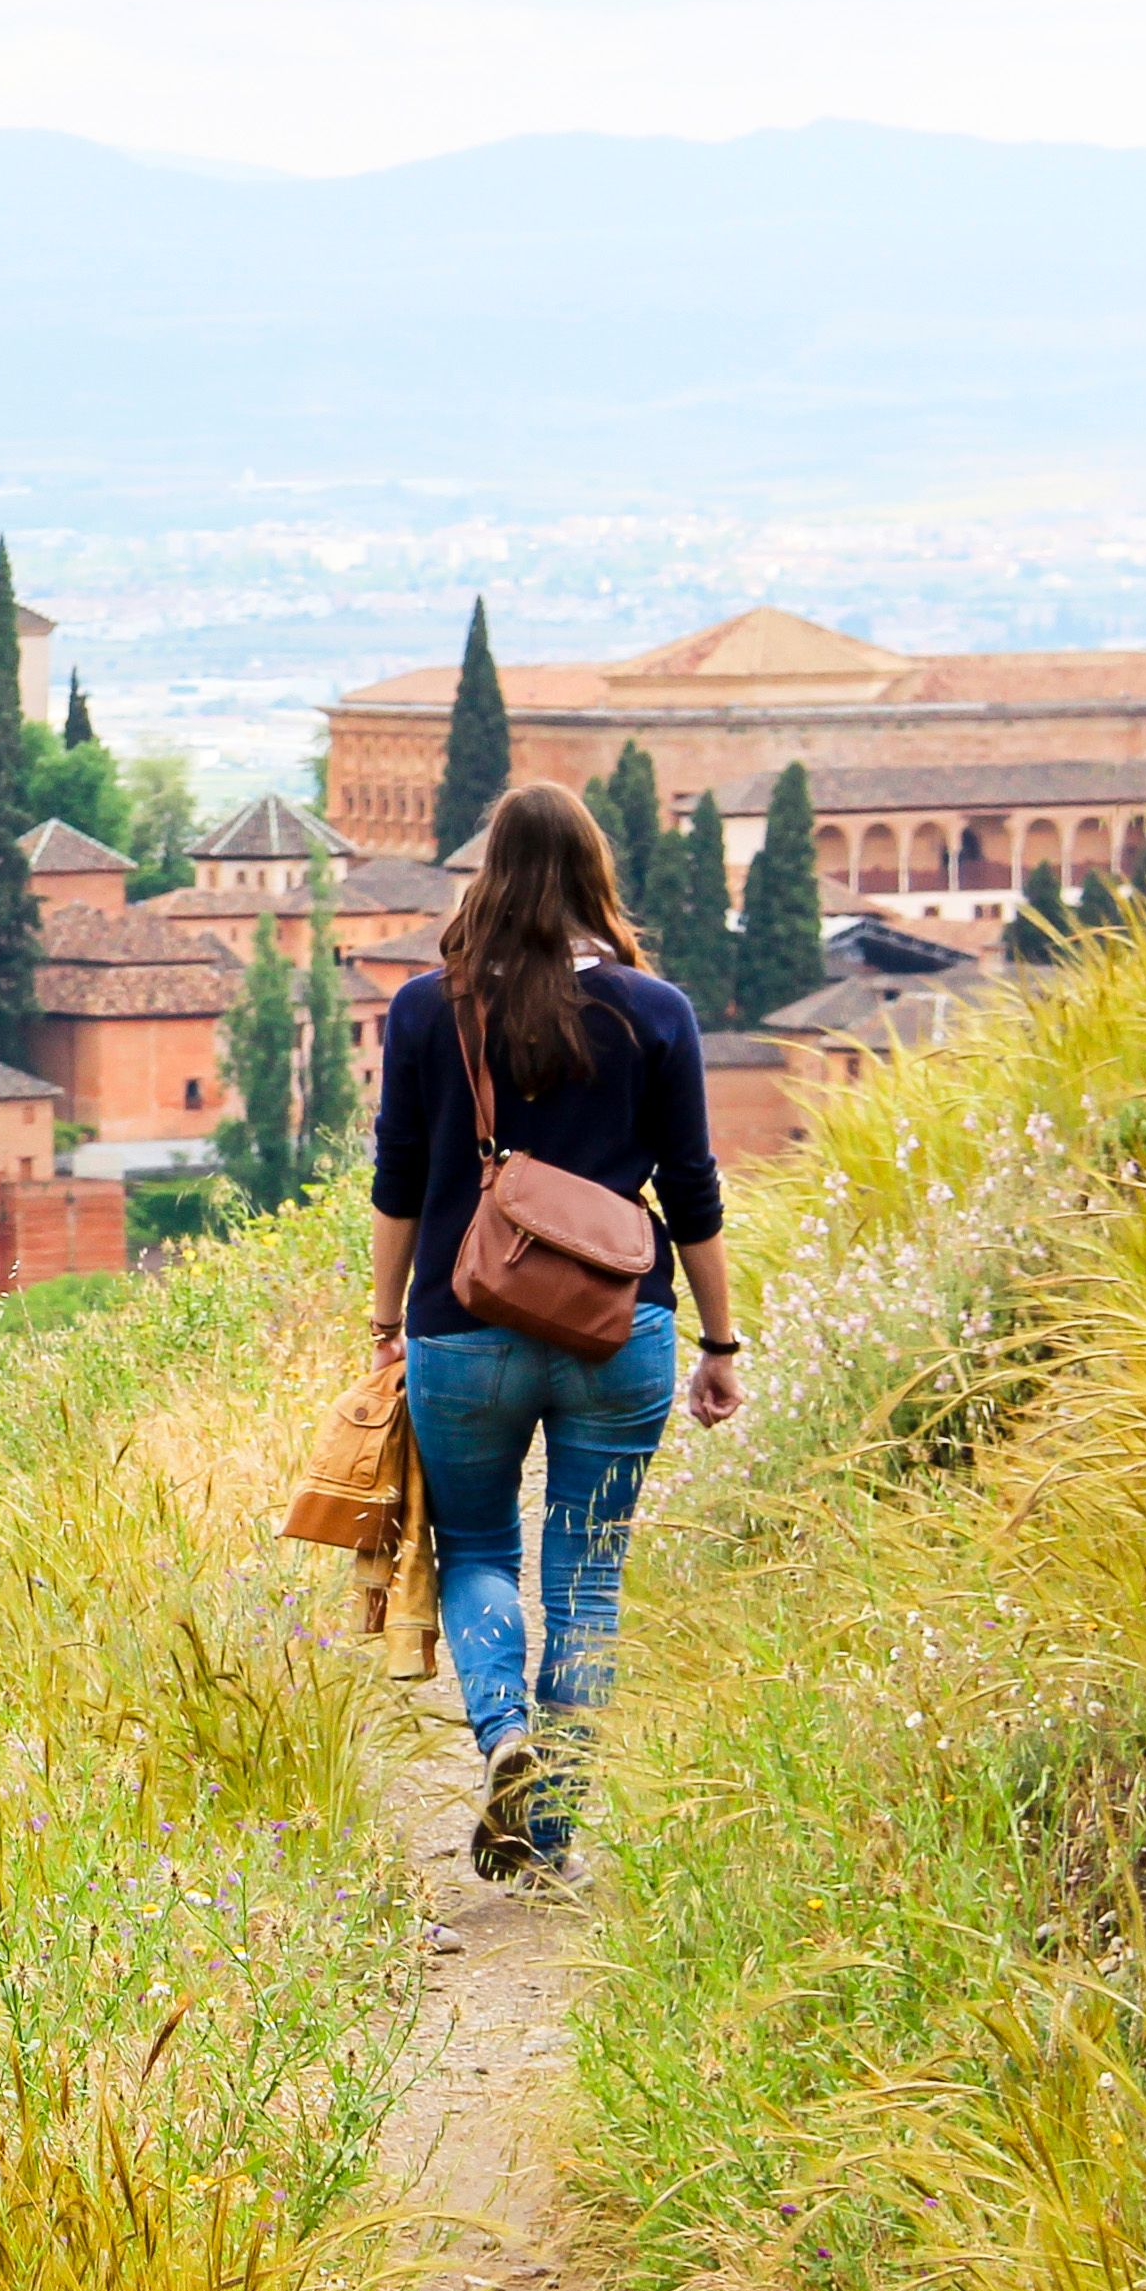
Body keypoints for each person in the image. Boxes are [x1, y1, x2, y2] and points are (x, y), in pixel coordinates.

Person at [367, 781, 746, 1879]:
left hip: (462, 1322)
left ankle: (507, 1738)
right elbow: (694, 1191)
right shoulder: (655, 1011)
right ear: (596, 874)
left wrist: (385, 1322)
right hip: (618, 1329)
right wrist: (720, 1344)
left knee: (476, 1546)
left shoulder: (425, 1010)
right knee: (587, 1573)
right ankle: (552, 1834)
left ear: (487, 872)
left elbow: (396, 1181)